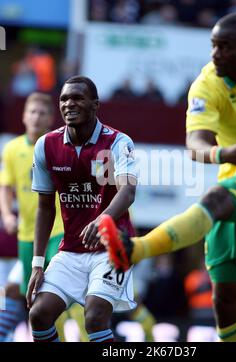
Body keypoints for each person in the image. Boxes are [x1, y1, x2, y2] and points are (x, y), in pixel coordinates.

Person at [98, 12, 236, 342]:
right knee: (228, 305)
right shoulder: (208, 83)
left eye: (224, 47)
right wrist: (222, 154)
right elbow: (195, 144)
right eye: (213, 46)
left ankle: (134, 250)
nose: (215, 54)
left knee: (213, 200)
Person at [26, 76, 138, 343]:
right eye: (64, 99)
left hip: (114, 247)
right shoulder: (46, 146)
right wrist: (38, 263)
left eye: (78, 98)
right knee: (39, 315)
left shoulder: (118, 142)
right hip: (72, 250)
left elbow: (128, 191)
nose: (69, 104)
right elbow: (45, 207)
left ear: (95, 105)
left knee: (95, 317)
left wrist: (102, 219)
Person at [0, 93, 86, 342]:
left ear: (51, 118)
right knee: (36, 298)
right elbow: (6, 187)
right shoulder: (12, 149)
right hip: (28, 235)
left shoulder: (61, 144)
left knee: (62, 288)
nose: (36, 117)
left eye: (41, 113)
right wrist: (6, 214)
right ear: (24, 115)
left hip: (60, 230)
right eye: (32, 112)